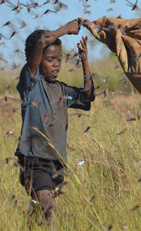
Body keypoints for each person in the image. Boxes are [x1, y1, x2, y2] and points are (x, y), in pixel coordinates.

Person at [15, 19, 95, 227]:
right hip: (34, 159)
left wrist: (85, 61)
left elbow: (87, 97)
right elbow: (42, 42)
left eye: (59, 59)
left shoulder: (61, 90)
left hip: (57, 162)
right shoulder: (30, 83)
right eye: (50, 59)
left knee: (39, 213)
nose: (56, 64)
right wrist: (67, 29)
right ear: (37, 59)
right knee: (47, 206)